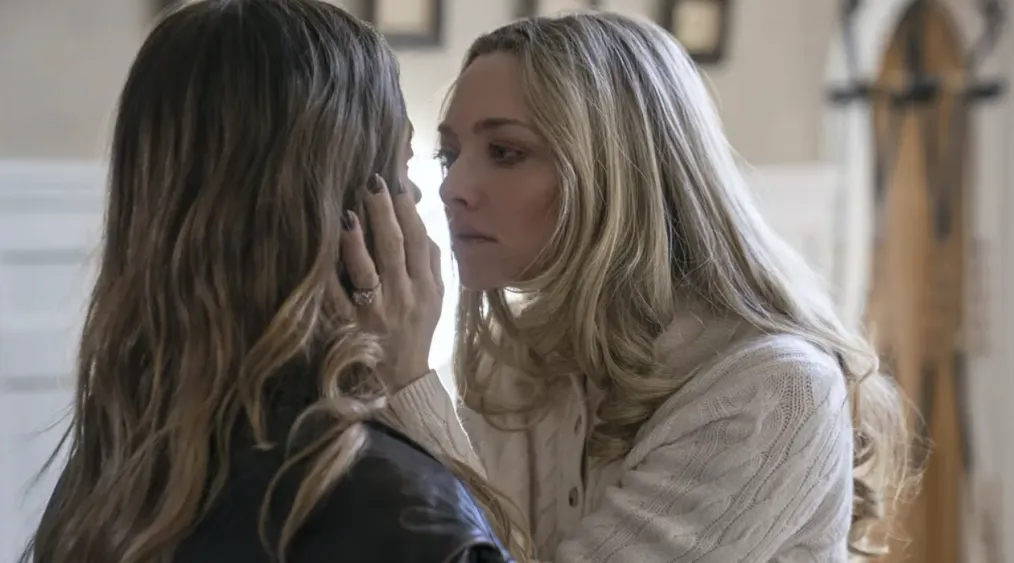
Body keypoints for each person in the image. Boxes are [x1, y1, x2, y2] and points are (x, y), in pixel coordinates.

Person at [348, 11, 916, 563]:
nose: (453, 188)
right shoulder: (513, 362)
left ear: (614, 171)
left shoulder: (774, 390)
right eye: (449, 155)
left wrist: (408, 379)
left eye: (505, 152)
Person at [20, 1, 523, 562]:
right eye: (406, 169)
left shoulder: (107, 478)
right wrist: (411, 388)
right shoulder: (402, 512)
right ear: (351, 210)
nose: (429, 195)